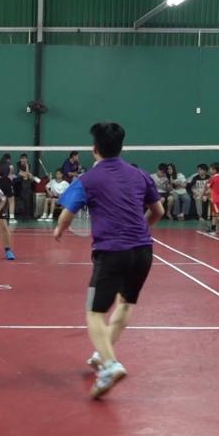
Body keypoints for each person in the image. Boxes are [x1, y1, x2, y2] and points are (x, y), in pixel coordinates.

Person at [54, 122, 164, 399]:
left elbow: (66, 216)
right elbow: (158, 211)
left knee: (94, 313)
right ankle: (102, 355)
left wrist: (59, 231)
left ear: (94, 149)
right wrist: (140, 230)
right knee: (126, 303)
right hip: (143, 251)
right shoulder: (140, 174)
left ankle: (111, 366)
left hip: (112, 252)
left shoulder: (88, 179)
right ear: (121, 147)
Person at [0, 153, 16, 223]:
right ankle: (11, 219)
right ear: (9, 159)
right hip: (7, 183)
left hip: (0, 183)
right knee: (11, 201)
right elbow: (10, 175)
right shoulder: (10, 165)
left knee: (2, 200)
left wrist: (0, 177)